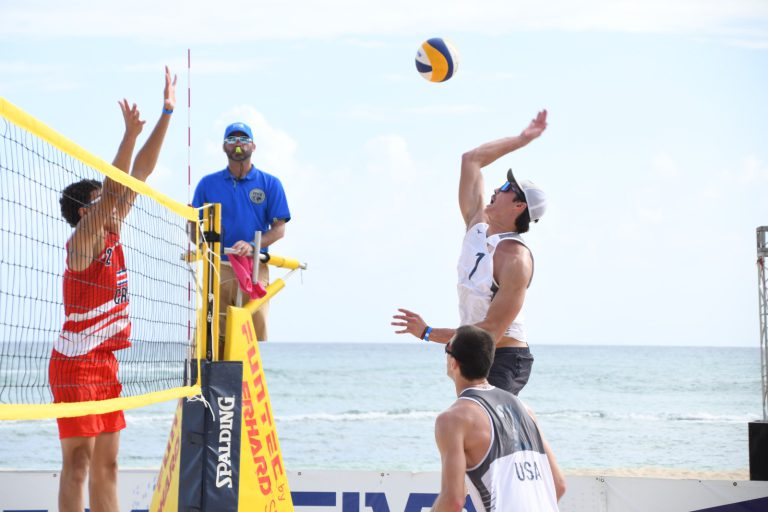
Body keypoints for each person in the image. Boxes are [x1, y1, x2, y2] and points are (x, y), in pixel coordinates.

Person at [51, 66, 176, 512]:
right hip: (75, 364)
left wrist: (165, 113)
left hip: (104, 362)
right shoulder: (81, 243)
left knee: (108, 466)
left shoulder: (112, 230)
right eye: (103, 202)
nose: (118, 205)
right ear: (87, 211)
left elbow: (137, 175)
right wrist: (126, 135)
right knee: (79, 464)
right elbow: (116, 185)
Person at [393, 110, 548, 395]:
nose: (496, 190)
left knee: (476, 424)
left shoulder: (516, 258)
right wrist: (522, 139)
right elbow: (471, 160)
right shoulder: (476, 226)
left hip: (503, 358)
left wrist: (428, 333)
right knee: (473, 429)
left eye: (505, 188)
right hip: (470, 352)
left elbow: (489, 332)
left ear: (519, 207)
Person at [431, 325, 565, 512]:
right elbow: (558, 485)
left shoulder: (454, 419)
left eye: (446, 349)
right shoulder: (525, 410)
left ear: (453, 362)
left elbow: (453, 500)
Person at [192, 121, 291, 347]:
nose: (238, 144)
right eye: (232, 139)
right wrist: (199, 238)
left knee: (251, 331)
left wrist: (251, 246)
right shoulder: (208, 184)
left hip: (255, 265)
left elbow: (279, 229)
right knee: (213, 331)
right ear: (224, 147)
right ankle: (207, 376)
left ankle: (246, 375)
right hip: (218, 265)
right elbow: (193, 226)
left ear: (253, 146)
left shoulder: (270, 183)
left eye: (243, 139)